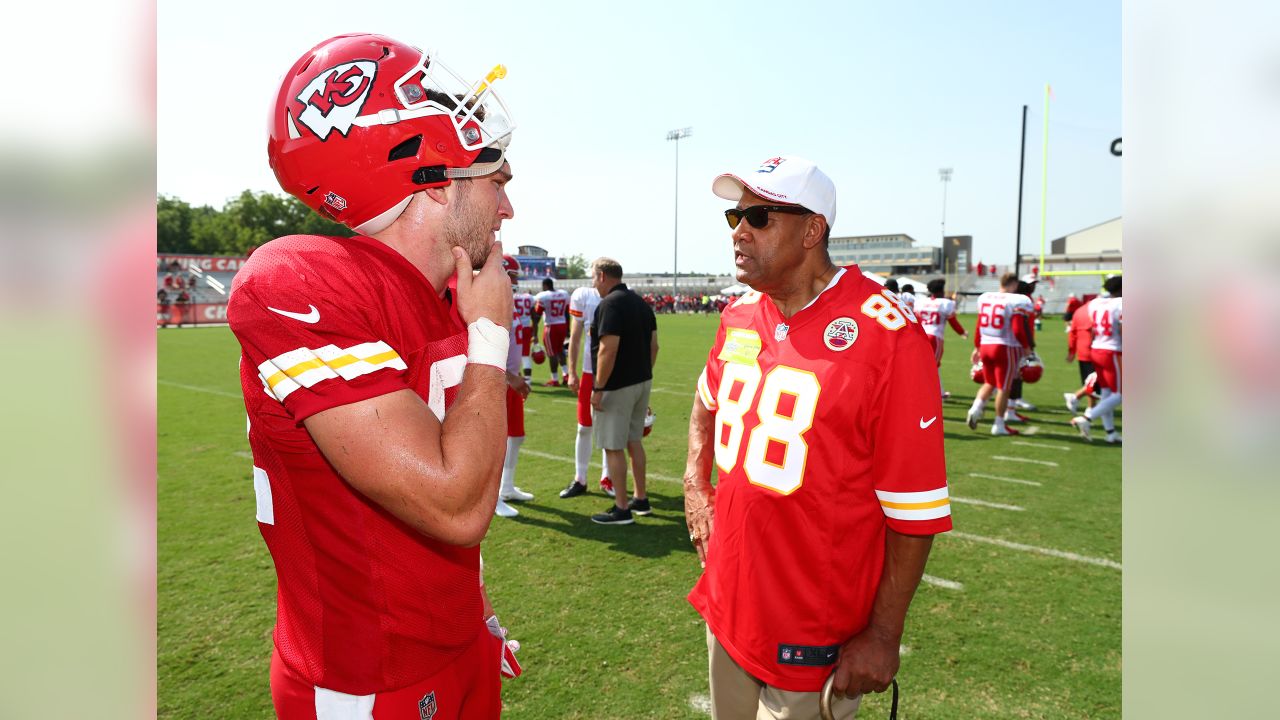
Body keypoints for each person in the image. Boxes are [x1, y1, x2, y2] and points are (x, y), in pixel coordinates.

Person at [227, 34, 521, 719]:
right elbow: (453, 504)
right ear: (434, 178)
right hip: (367, 684)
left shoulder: (450, 292)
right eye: (497, 180)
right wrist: (489, 335)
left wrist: (468, 616)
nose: (508, 209)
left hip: (453, 644)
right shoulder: (301, 282)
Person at [685, 155, 950, 719]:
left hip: (814, 635)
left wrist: (883, 632)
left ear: (812, 230)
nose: (738, 230)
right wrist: (694, 484)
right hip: (729, 605)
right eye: (734, 216)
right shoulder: (738, 313)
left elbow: (914, 509)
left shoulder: (888, 337)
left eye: (758, 216)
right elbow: (705, 401)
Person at [587, 257, 658, 525]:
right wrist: (643, 372)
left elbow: (608, 348)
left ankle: (622, 508)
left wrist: (599, 387)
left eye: (594, 277)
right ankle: (641, 498)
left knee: (613, 447)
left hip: (616, 386)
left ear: (603, 276)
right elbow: (654, 346)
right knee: (634, 440)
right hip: (641, 381)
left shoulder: (610, 304)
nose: (593, 283)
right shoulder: (641, 303)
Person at [560, 282, 619, 498]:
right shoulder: (584, 296)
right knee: (584, 427)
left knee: (609, 429)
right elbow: (574, 338)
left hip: (612, 372)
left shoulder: (619, 298)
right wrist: (573, 372)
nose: (593, 280)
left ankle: (607, 477)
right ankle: (580, 478)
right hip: (588, 371)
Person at [966, 272, 1036, 435]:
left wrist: (977, 347)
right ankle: (999, 424)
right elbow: (1018, 329)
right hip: (1005, 347)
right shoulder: (1016, 300)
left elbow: (978, 326)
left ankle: (975, 409)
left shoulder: (986, 298)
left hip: (986, 345)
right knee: (1004, 387)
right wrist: (1026, 346)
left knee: (989, 382)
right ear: (1013, 284)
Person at [496, 255, 534, 518]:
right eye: (512, 276)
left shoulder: (510, 301)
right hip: (497, 378)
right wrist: (510, 377)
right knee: (496, 441)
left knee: (516, 436)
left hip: (511, 377)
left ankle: (506, 487)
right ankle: (494, 496)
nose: (515, 282)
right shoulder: (493, 301)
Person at [1071, 275, 1123, 442]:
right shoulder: (1122, 303)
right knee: (1121, 394)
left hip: (1097, 348)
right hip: (1112, 350)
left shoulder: (1095, 303)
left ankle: (1110, 433)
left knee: (1107, 393)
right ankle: (1086, 418)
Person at [913, 278, 968, 398]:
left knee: (925, 365)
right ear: (940, 291)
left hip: (920, 337)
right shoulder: (946, 303)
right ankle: (927, 394)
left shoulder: (920, 302)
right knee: (932, 367)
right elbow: (953, 321)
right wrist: (962, 332)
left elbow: (915, 320)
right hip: (934, 337)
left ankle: (940, 393)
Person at [1064, 291, 1098, 414]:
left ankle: (1090, 408)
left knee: (1089, 381)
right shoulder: (1095, 311)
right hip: (1095, 351)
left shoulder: (1079, 311)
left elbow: (1072, 334)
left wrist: (1071, 351)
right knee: (1096, 382)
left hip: (1083, 352)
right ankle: (1076, 398)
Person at [533, 278, 570, 385]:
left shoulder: (543, 296)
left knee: (551, 353)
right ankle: (566, 375)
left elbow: (538, 315)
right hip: (562, 325)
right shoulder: (564, 294)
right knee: (560, 351)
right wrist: (568, 329)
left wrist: (534, 327)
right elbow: (567, 313)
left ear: (545, 285)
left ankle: (554, 379)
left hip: (550, 327)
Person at [512, 275, 535, 381]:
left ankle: (515, 376)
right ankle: (528, 381)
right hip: (526, 328)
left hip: (514, 326)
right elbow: (534, 315)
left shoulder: (512, 297)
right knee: (525, 355)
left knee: (511, 355)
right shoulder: (529, 298)